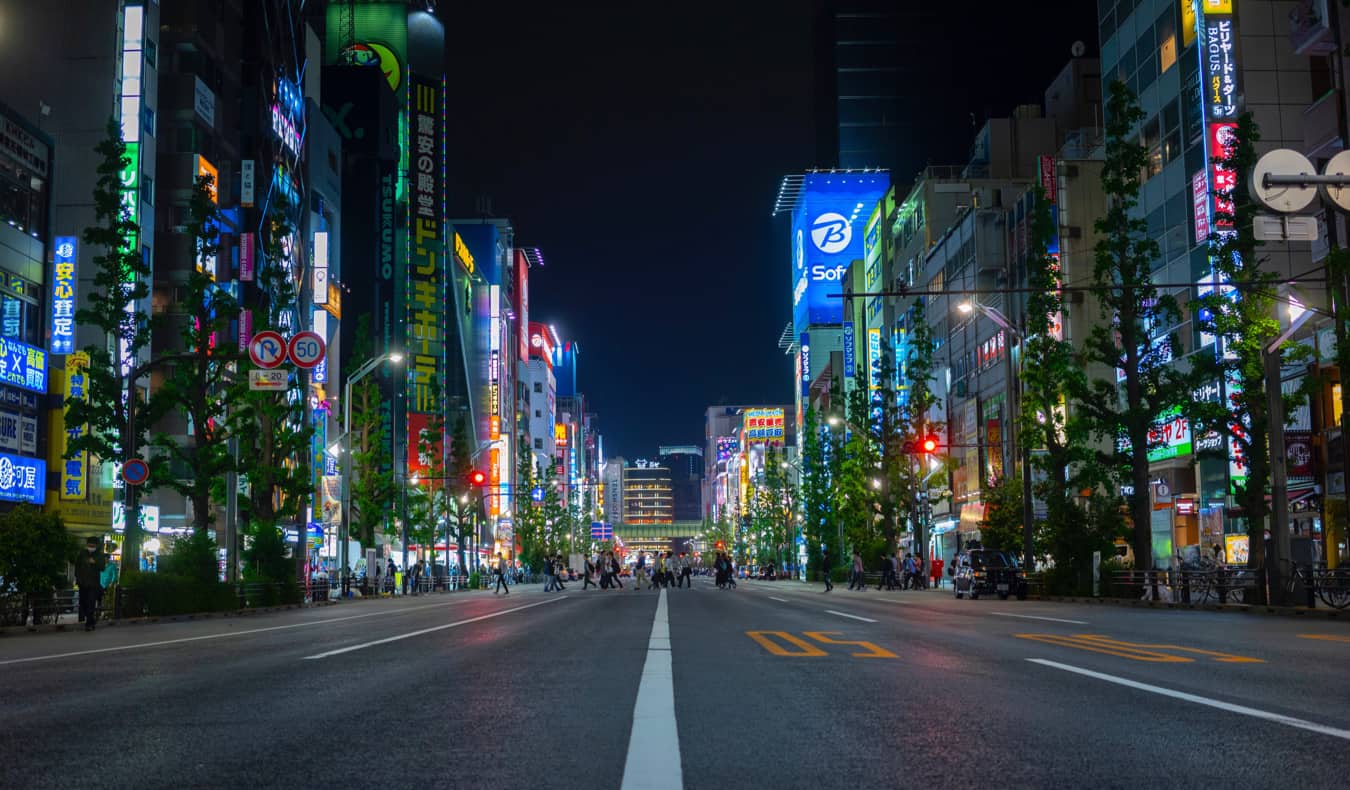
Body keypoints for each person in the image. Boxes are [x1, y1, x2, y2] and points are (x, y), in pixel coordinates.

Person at [75, 537, 105, 631]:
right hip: (82, 583)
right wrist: (78, 579)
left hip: (93, 584)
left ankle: (89, 624)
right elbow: (77, 567)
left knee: (91, 603)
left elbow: (102, 567)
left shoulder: (100, 555)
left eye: (92, 546)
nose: (90, 547)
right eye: (89, 545)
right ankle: (91, 620)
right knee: (83, 603)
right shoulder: (82, 554)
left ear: (96, 546)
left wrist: (95, 563)